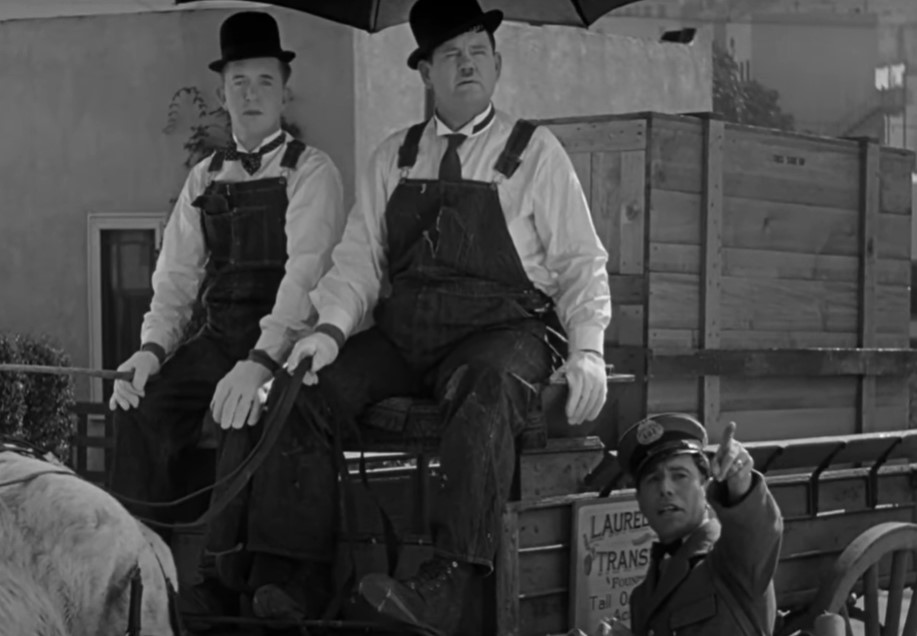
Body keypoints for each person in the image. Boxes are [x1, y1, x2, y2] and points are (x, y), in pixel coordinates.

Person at [205, 0, 610, 632]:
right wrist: (328, 333)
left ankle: (447, 583)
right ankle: (296, 577)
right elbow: (358, 262)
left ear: (497, 64)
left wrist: (588, 351)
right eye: (450, 54)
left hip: (503, 331)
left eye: (477, 52)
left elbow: (581, 264)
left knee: (485, 391)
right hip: (407, 334)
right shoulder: (392, 158)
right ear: (425, 72)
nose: (466, 64)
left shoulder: (536, 154)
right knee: (303, 392)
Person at [105, 7, 345, 598]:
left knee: (249, 416)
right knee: (140, 408)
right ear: (222, 92)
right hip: (216, 340)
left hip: (286, 347)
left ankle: (225, 575)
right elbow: (176, 278)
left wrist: (262, 362)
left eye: (264, 80)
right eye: (239, 81)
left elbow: (306, 279)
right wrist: (151, 351)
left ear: (284, 92)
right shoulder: (204, 177)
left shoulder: (312, 172)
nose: (251, 93)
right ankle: (136, 569)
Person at [611, 414, 784, 636]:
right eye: (653, 479)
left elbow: (757, 533)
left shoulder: (733, 561)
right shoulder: (642, 597)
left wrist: (741, 483)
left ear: (705, 486)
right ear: (640, 501)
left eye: (679, 475)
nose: (666, 488)